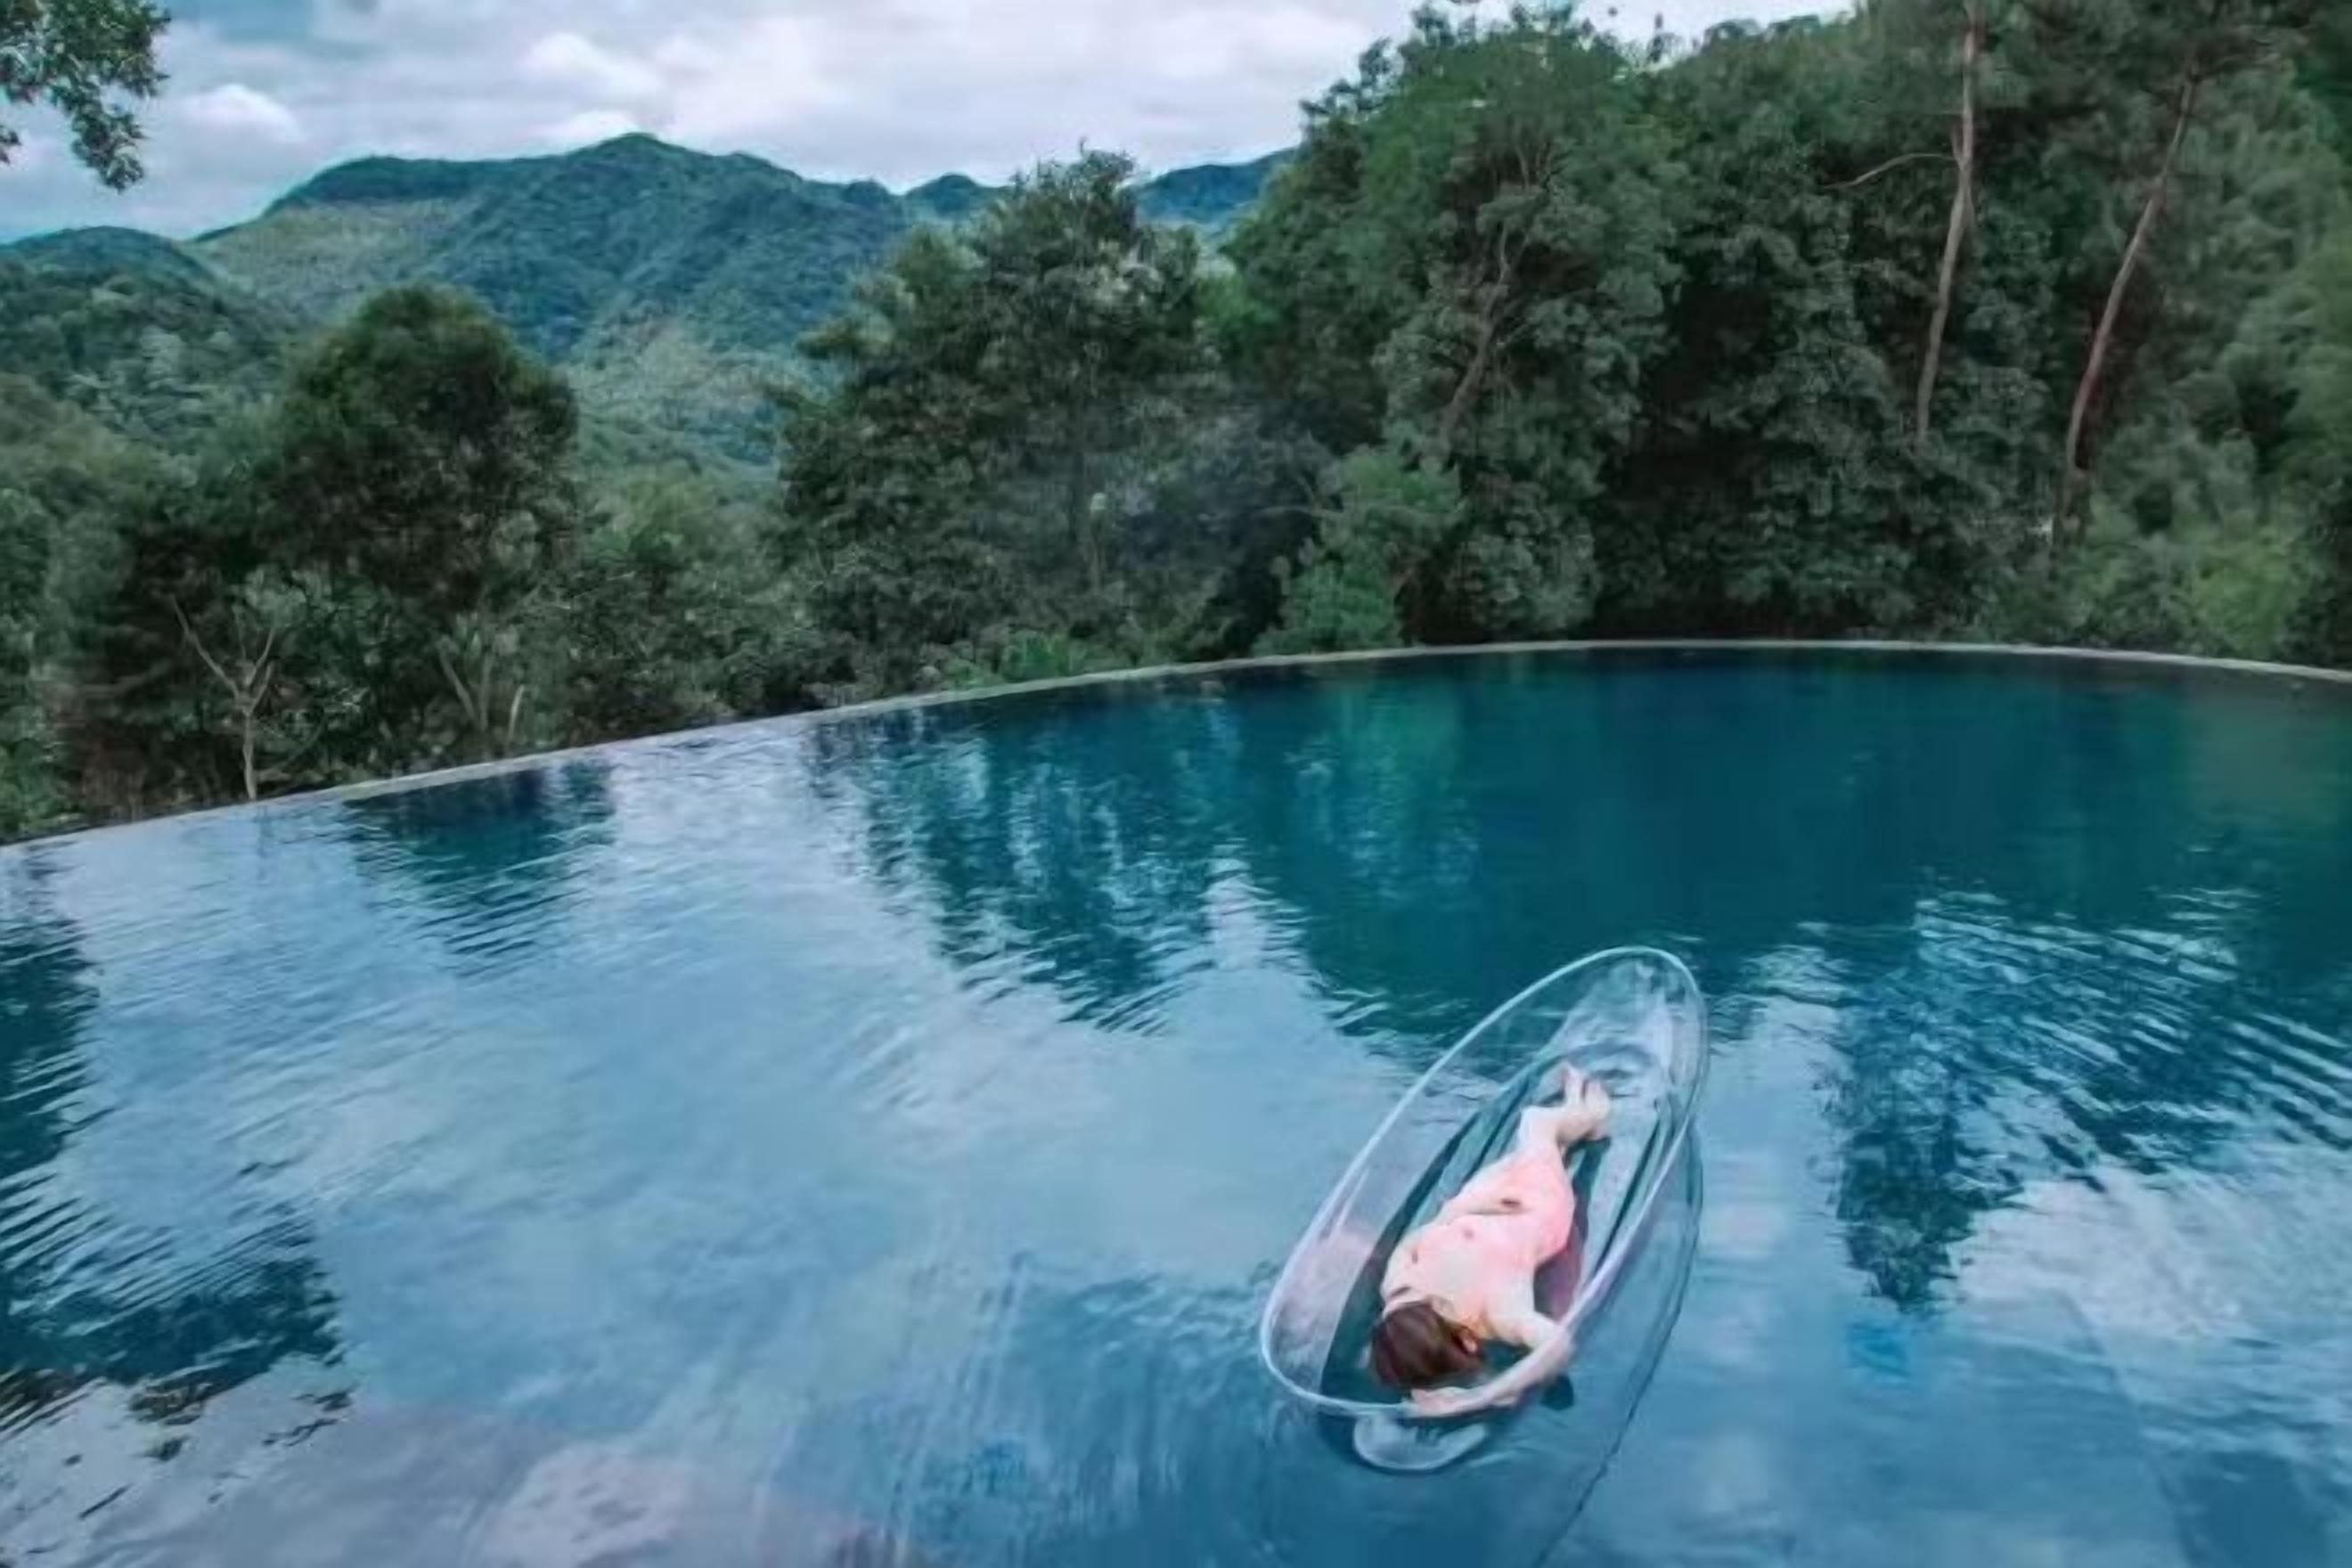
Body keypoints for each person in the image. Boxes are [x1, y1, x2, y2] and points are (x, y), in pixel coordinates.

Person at [1369, 1065, 1612, 1417]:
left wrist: (1453, 1213)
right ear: (1466, 1340)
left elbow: (1406, 1247)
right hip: (1534, 1208)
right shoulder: (1501, 1311)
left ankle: (1569, 1130)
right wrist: (1485, 1395)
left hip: (1481, 1201)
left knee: (1534, 1152)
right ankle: (1592, 1113)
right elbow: (1558, 1346)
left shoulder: (1400, 1290)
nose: (1416, 1297)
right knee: (1535, 1123)